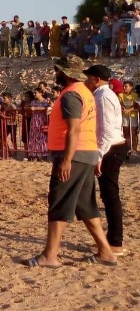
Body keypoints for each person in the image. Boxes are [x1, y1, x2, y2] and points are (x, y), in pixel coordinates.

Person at [27, 55, 116, 268]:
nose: (56, 73)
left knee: (59, 201)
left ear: (65, 73)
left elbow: (74, 129)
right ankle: (106, 252)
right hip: (86, 153)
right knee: (85, 205)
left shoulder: (71, 94)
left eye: (58, 70)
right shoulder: (86, 92)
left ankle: (50, 255)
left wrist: (66, 159)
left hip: (73, 155)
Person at [83, 65, 128, 256]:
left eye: (88, 78)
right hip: (112, 147)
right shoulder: (104, 95)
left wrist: (98, 156)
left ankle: (116, 241)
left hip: (111, 149)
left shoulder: (102, 96)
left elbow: (106, 132)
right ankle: (112, 238)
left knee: (110, 195)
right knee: (108, 195)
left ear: (95, 79)